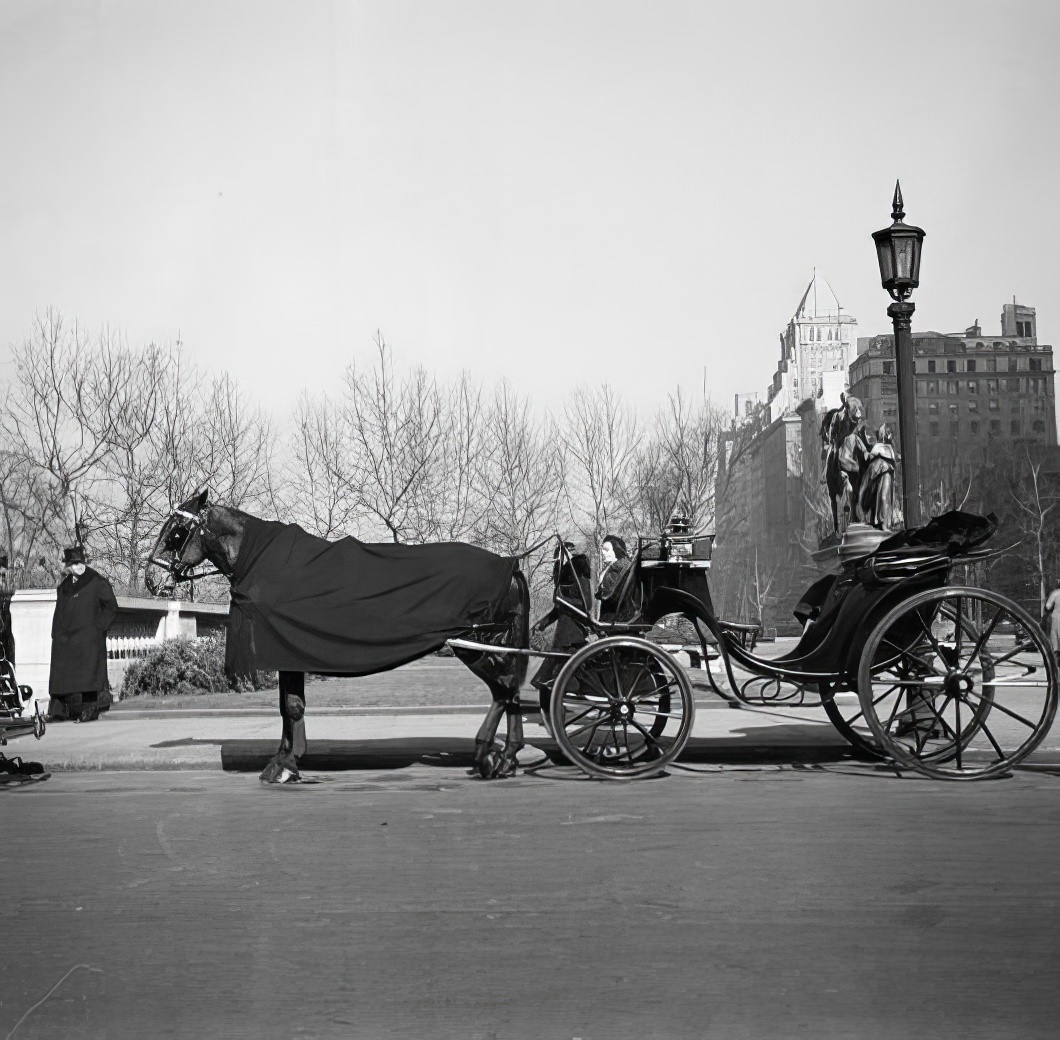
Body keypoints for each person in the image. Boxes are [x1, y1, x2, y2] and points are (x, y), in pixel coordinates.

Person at [48, 545, 118, 722]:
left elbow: (111, 607)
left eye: (80, 562)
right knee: (59, 672)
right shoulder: (63, 586)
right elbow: (59, 611)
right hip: (65, 638)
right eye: (74, 563)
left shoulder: (96, 581)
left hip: (88, 637)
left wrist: (99, 627)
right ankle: (59, 710)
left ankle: (90, 709)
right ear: (68, 567)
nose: (78, 566)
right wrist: (55, 633)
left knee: (89, 675)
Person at [530, 541, 592, 712]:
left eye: (559, 556)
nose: (556, 560)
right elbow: (559, 610)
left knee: (551, 677)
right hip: (564, 634)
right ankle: (552, 710)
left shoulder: (579, 574)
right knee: (549, 678)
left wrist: (563, 601)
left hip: (572, 635)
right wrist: (541, 624)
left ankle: (554, 711)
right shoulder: (564, 577)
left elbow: (586, 604)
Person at [596, 534, 633, 623]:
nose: (603, 552)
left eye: (606, 550)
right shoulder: (618, 565)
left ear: (617, 550)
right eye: (603, 549)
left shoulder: (617, 568)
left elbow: (608, 595)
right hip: (619, 616)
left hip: (615, 618)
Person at [1044, 581, 1060, 654]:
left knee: (1054, 632)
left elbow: (1048, 606)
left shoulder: (1055, 593)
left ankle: (1055, 649)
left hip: (1057, 615)